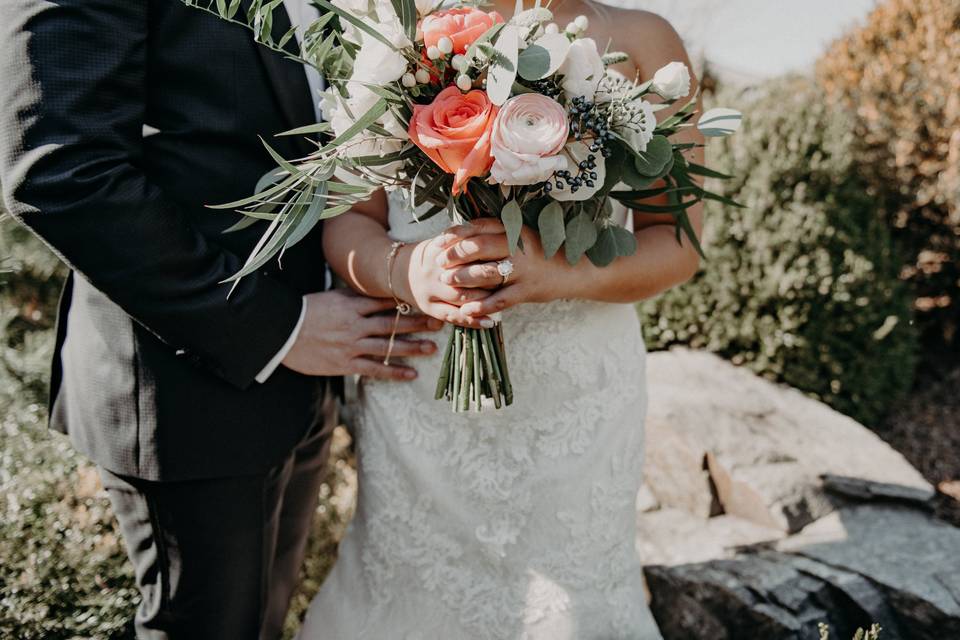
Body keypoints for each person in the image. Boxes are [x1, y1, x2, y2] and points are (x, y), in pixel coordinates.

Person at [0, 1, 455, 637]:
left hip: (312, 365)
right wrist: (279, 329)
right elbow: (61, 170)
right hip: (186, 386)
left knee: (265, 622)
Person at [298, 1, 704, 638]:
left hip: (576, 401)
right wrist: (404, 271)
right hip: (424, 386)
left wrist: (559, 276)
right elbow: (349, 221)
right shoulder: (392, 35)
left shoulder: (643, 39)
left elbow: (677, 244)